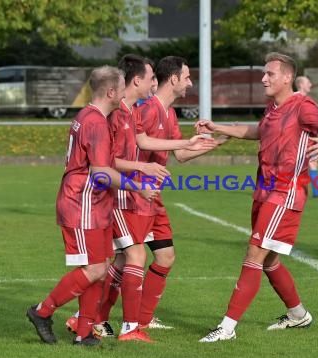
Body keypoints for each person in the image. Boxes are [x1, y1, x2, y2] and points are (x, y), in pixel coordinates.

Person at [64, 55, 216, 342]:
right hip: (124, 195)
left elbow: (151, 146)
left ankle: (115, 321)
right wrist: (142, 171)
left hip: (142, 195)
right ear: (139, 81)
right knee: (127, 257)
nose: (153, 83)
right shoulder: (124, 112)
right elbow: (109, 162)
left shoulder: (136, 111)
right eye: (150, 78)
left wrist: (207, 141)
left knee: (142, 257)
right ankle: (116, 325)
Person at [195, 52, 318, 342]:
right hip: (264, 191)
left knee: (254, 254)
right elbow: (257, 132)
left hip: (284, 193)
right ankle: (298, 315)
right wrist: (217, 126)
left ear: (287, 77)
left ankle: (226, 328)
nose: (264, 78)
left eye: (270, 74)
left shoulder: (302, 106)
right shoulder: (272, 107)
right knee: (268, 260)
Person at [26, 66, 159, 346]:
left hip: (95, 204)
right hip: (82, 203)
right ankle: (43, 311)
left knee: (100, 264)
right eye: (122, 89)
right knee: (96, 269)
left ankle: (85, 332)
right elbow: (101, 172)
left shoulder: (91, 116)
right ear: (111, 92)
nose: (124, 94)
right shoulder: (96, 122)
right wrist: (139, 186)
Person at [295, 75, 318, 199]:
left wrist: (316, 129)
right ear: (301, 85)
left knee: (313, 164)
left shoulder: (307, 99)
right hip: (298, 140)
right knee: (295, 166)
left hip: (308, 139)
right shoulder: (295, 99)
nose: (310, 85)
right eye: (308, 82)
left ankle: (317, 193)